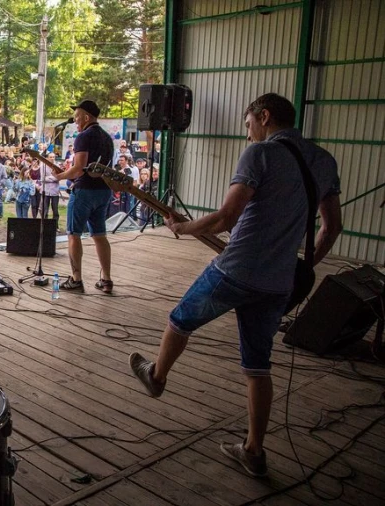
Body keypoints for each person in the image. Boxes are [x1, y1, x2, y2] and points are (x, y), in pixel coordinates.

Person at [128, 93, 342, 478]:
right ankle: (254, 451)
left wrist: (181, 227)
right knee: (258, 366)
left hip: (236, 269)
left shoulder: (261, 155)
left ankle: (156, 377)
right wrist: (302, 268)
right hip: (278, 282)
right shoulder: (324, 161)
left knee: (180, 320)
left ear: (264, 116)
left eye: (248, 126)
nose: (248, 136)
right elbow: (332, 226)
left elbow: (227, 217)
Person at [53, 99, 115, 294]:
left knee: (74, 234)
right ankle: (106, 279)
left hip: (85, 191)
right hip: (103, 190)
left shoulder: (83, 136)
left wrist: (60, 176)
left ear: (87, 117)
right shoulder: (106, 137)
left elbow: (79, 169)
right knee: (99, 235)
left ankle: (76, 279)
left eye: (77, 116)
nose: (75, 119)